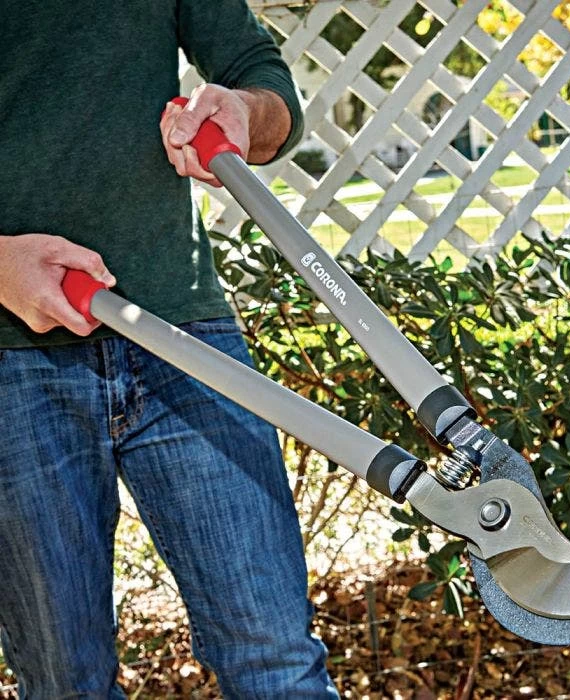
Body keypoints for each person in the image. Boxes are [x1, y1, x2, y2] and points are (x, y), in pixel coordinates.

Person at [0, 2, 339, 697]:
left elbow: (260, 78)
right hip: (10, 360)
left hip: (185, 335)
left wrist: (243, 112)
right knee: (65, 684)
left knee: (278, 665)